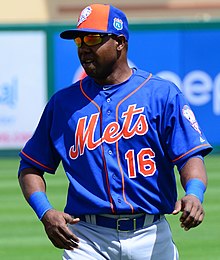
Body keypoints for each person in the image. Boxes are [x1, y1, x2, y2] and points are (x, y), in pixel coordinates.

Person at [18, 3, 213, 260]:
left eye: (92, 37)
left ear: (119, 42)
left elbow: (189, 155)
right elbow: (30, 166)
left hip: (151, 234)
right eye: (78, 40)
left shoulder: (161, 94)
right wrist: (45, 212)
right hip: (86, 239)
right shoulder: (63, 103)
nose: (83, 47)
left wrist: (194, 194)